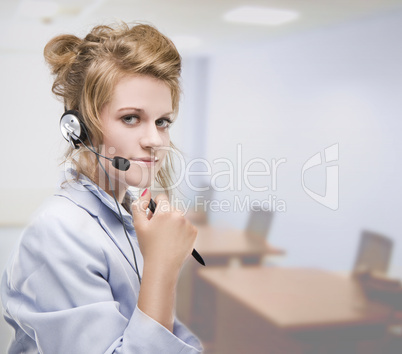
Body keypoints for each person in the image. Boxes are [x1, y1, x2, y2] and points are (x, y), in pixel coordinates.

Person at [1, 22, 203, 353]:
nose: (155, 140)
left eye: (162, 121)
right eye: (131, 118)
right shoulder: (58, 232)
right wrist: (163, 268)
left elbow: (170, 335)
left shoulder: (126, 216)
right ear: (78, 130)